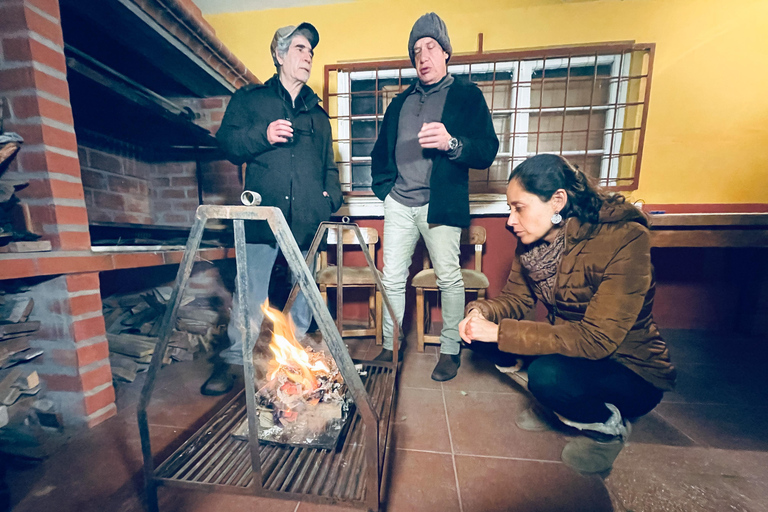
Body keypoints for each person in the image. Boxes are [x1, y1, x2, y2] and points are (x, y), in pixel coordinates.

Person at [459, 153, 676, 473]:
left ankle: (606, 428)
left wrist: (500, 333)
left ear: (557, 201)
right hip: (569, 350)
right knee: (480, 336)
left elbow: (597, 339)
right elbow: (516, 301)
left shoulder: (626, 238)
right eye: (510, 209)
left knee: (547, 376)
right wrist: (480, 313)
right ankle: (557, 403)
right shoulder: (531, 243)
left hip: (629, 369)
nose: (510, 220)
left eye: (519, 207)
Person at [201, 22, 343, 395]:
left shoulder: (317, 115)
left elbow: (330, 167)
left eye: (310, 50)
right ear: (279, 56)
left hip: (306, 223)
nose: (307, 55)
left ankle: (292, 366)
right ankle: (234, 363)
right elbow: (227, 143)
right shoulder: (251, 100)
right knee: (249, 296)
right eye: (299, 48)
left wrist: (330, 201)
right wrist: (262, 136)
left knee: (301, 300)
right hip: (262, 219)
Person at [370, 12, 499, 381]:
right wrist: (386, 191)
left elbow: (487, 150)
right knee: (391, 279)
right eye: (416, 51)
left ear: (445, 53)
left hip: (440, 204)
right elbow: (381, 151)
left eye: (430, 47)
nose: (422, 56)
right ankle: (390, 345)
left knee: (449, 279)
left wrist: (451, 143)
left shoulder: (467, 96)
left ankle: (449, 350)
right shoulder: (399, 103)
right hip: (399, 203)